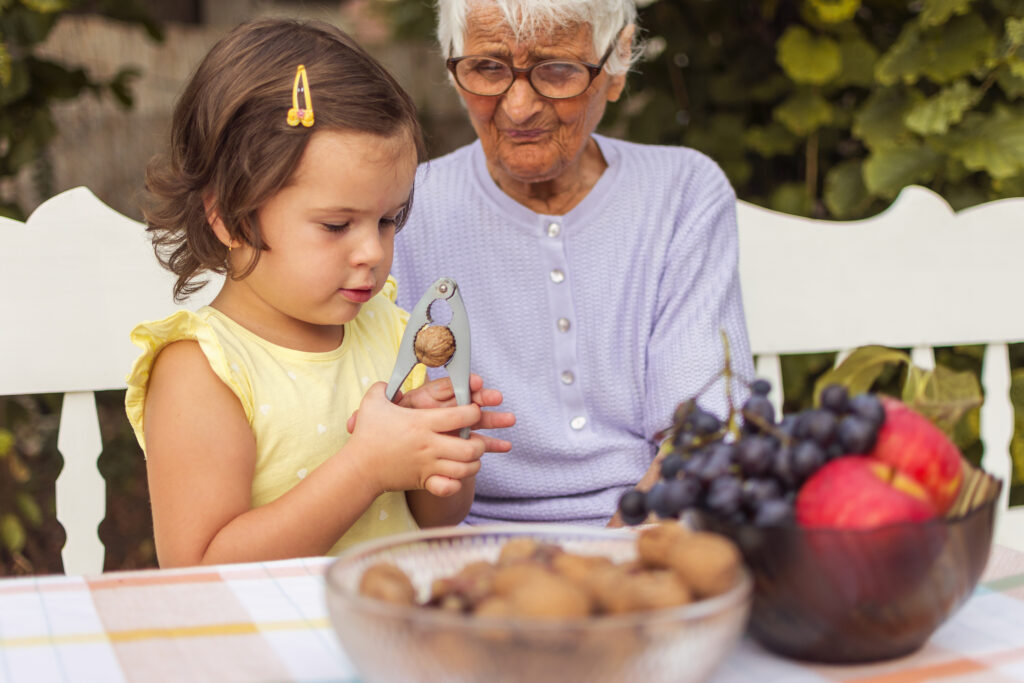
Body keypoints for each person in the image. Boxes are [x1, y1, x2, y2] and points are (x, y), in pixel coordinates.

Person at [125, 18, 514, 568]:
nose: (373, 252)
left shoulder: (391, 333)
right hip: (268, 643)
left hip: (390, 627)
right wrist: (365, 467)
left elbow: (436, 522)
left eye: (387, 220)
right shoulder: (203, 370)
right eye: (336, 225)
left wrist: (439, 450)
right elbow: (199, 571)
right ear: (230, 217)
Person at [391, 0, 754, 526]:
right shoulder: (401, 207)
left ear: (617, 63)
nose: (517, 108)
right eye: (487, 68)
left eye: (557, 70)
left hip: (655, 528)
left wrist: (614, 561)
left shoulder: (682, 193)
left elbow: (705, 428)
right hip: (454, 538)